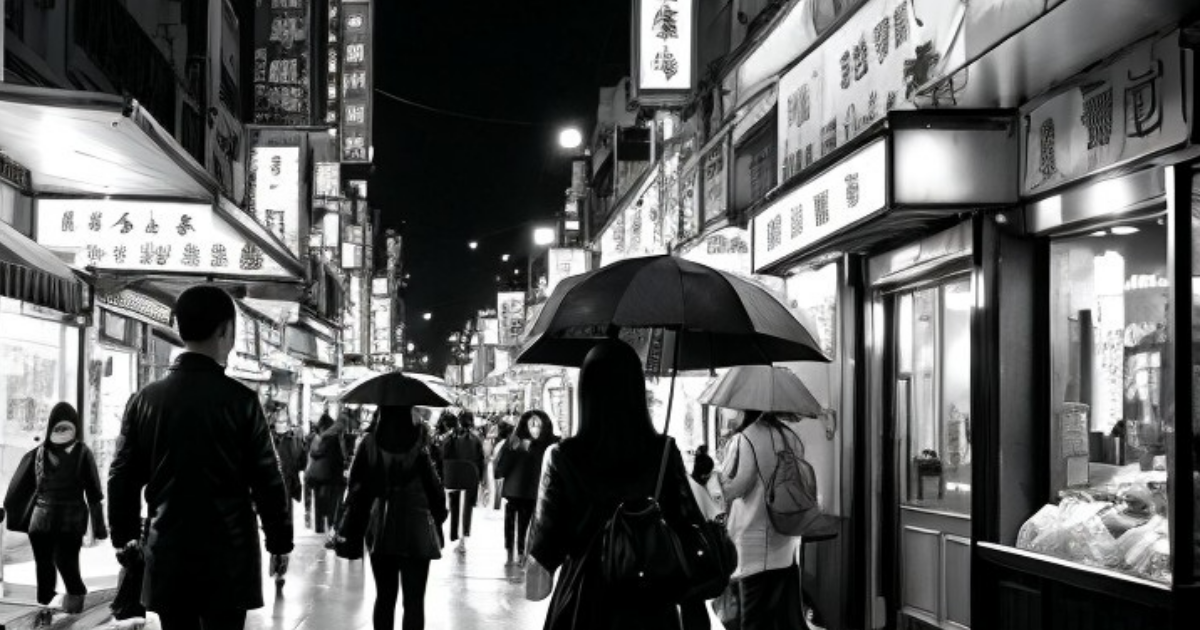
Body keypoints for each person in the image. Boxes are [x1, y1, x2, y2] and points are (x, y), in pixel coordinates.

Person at [108, 284, 292, 630]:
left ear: (179, 328)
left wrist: (125, 536)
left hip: (167, 554)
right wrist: (279, 541)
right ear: (226, 330)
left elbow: (122, 475)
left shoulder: (144, 400)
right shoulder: (242, 402)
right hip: (230, 557)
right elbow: (267, 479)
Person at [525, 340, 705, 630]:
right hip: (653, 607)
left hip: (584, 605)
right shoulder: (663, 453)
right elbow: (689, 530)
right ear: (637, 389)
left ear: (585, 391)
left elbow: (539, 577)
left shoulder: (561, 457)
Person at [336, 406, 448, 630]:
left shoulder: (369, 443)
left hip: (381, 528)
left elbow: (355, 488)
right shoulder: (421, 443)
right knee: (414, 601)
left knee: (385, 598)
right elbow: (436, 492)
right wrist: (438, 517)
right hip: (417, 531)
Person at [717, 410, 806, 630]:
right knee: (777, 616)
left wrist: (720, 480)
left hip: (753, 540)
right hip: (784, 538)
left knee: (753, 616)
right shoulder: (791, 437)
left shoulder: (746, 437)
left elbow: (738, 486)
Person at [21, 403, 107, 624]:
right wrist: (100, 528)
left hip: (44, 521)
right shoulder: (80, 452)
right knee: (62, 571)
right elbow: (95, 494)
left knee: (53, 570)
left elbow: (28, 488)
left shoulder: (41, 451)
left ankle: (53, 618)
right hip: (64, 522)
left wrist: (99, 528)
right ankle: (66, 618)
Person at [494, 409, 558, 567]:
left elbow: (502, 467)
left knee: (512, 521)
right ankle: (522, 553)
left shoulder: (514, 441)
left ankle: (511, 552)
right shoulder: (550, 443)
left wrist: (499, 472)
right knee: (526, 523)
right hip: (532, 491)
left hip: (515, 491)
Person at [440, 411, 484, 553]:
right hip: (470, 478)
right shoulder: (476, 439)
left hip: (453, 478)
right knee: (467, 509)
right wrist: (481, 479)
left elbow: (442, 456)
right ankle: (462, 539)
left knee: (455, 507)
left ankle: (456, 536)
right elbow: (480, 460)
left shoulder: (450, 438)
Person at [306, 412, 348, 537]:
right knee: (331, 504)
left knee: (319, 503)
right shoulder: (333, 439)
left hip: (318, 477)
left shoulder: (319, 438)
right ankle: (330, 526)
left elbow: (313, 454)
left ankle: (319, 527)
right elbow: (338, 459)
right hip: (331, 477)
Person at [270, 407, 307, 527]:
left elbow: (302, 460)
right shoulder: (270, 438)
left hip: (287, 478)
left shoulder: (294, 439)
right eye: (278, 422)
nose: (280, 424)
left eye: (283, 422)